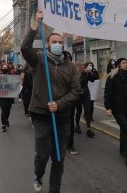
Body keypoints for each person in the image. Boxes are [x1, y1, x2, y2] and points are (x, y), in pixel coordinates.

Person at [21, 10, 82, 193]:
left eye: (60, 42)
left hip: (62, 116)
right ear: (47, 44)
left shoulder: (70, 66)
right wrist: (34, 25)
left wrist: (60, 104)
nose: (57, 45)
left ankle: (54, 189)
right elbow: (25, 48)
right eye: (54, 42)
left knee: (59, 158)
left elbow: (76, 90)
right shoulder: (38, 60)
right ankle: (38, 175)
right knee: (42, 155)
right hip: (42, 114)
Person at [104, 58, 127, 167]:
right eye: (124, 63)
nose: (126, 64)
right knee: (124, 127)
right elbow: (108, 92)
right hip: (117, 108)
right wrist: (108, 107)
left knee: (125, 129)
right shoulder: (112, 77)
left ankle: (122, 149)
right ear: (119, 65)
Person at [74, 62, 96, 138]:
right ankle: (77, 126)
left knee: (87, 111)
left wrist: (90, 73)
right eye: (81, 67)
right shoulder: (76, 74)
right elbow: (79, 81)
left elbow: (93, 79)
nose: (83, 68)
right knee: (79, 111)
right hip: (78, 94)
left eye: (83, 66)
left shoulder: (86, 73)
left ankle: (88, 129)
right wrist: (83, 73)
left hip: (86, 93)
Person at [0, 64, 15, 132]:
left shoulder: (11, 75)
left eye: (6, 67)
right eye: (3, 67)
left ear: (8, 68)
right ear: (1, 68)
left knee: (8, 110)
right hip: (2, 96)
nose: (4, 68)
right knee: (3, 110)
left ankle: (6, 119)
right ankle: (3, 125)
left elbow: (14, 84)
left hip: (9, 96)